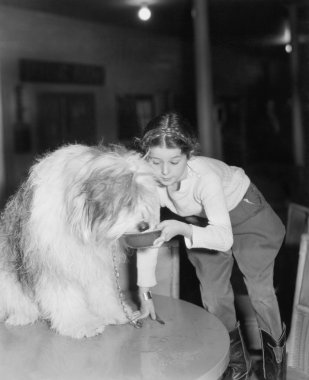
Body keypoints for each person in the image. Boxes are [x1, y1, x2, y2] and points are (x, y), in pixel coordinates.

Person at [134, 111, 286, 380]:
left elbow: (224, 237)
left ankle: (274, 366)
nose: (164, 172)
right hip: (202, 220)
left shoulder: (205, 177)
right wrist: (144, 293)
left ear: (189, 155)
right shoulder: (149, 181)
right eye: (155, 162)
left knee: (259, 291)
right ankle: (236, 364)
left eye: (174, 161)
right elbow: (149, 237)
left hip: (245, 212)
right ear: (146, 156)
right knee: (214, 295)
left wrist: (183, 229)